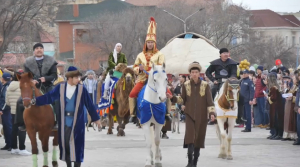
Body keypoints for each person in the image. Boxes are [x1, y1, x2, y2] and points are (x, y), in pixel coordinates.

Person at [34, 66, 101, 167]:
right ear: (69, 78)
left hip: (77, 123)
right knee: (65, 145)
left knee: (77, 146)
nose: (79, 79)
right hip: (64, 121)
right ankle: (69, 165)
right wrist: (36, 101)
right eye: (76, 77)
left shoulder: (82, 89)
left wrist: (96, 119)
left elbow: (89, 104)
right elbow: (49, 97)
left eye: (79, 77)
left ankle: (77, 165)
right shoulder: (60, 88)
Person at [170, 62, 215, 167]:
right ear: (190, 74)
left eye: (196, 72)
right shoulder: (185, 85)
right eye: (192, 72)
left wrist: (212, 113)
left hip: (202, 116)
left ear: (199, 73)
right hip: (189, 115)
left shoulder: (205, 85)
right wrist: (173, 97)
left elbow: (210, 101)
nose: (194, 74)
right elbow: (182, 99)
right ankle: (190, 161)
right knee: (190, 138)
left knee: (198, 139)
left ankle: (195, 162)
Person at [129, 17, 172, 121]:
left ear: (154, 43)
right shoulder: (140, 55)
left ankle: (167, 113)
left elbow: (161, 66)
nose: (150, 44)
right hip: (143, 78)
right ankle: (133, 114)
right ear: (145, 43)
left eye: (152, 42)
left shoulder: (159, 54)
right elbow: (135, 66)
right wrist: (139, 69)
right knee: (132, 94)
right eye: (148, 42)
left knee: (168, 93)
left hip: (156, 79)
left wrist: (149, 70)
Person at [17, 43, 58, 131]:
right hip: (33, 87)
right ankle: (22, 123)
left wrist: (45, 78)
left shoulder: (51, 61)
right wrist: (32, 81)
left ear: (43, 50)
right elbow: (26, 76)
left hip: (47, 85)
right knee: (20, 101)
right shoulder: (28, 62)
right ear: (34, 51)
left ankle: (57, 122)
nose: (39, 50)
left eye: (40, 48)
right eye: (37, 48)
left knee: (56, 100)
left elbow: (55, 75)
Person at [5, 71, 32, 155]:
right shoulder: (23, 86)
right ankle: (22, 148)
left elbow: (7, 102)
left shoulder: (9, 86)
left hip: (13, 111)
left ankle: (14, 148)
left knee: (14, 129)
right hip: (22, 111)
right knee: (22, 128)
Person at [266, 73, 284, 140]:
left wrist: (268, 97)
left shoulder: (274, 87)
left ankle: (279, 134)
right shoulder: (273, 87)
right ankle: (275, 133)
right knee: (274, 120)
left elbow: (274, 98)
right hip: (274, 106)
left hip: (276, 106)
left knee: (277, 120)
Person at [0, 73, 12, 151]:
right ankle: (8, 144)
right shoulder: (4, 85)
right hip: (5, 109)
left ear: (3, 78)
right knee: (6, 127)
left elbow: (5, 100)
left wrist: (2, 109)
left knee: (8, 127)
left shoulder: (7, 86)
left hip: (6, 110)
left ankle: (10, 144)